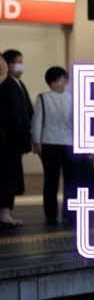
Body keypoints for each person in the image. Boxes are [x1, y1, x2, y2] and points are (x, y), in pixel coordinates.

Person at [31, 66, 75, 225]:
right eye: (55, 81)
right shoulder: (73, 98)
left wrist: (36, 141)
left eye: (60, 80)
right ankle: (69, 213)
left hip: (49, 143)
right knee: (69, 179)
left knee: (51, 180)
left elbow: (37, 122)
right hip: (68, 143)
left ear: (66, 80)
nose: (58, 84)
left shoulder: (42, 97)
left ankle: (51, 214)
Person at [0, 55, 32, 227]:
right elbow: (15, 116)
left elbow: (23, 113)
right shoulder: (10, 86)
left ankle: (5, 211)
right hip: (8, 142)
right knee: (7, 176)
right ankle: (4, 212)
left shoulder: (13, 84)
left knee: (8, 177)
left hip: (10, 143)